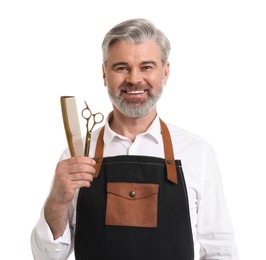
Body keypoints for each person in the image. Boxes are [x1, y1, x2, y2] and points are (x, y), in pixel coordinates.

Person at [31, 18, 238, 259]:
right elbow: (47, 256)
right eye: (121, 67)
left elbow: (219, 249)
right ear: (104, 74)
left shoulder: (197, 152)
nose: (134, 79)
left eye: (146, 67)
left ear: (165, 72)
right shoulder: (76, 155)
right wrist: (57, 199)